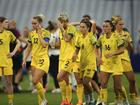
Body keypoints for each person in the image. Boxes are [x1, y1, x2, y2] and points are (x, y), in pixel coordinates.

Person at [96, 20, 126, 105]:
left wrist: (112, 53)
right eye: (103, 26)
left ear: (111, 27)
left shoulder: (116, 37)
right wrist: (98, 58)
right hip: (105, 64)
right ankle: (103, 102)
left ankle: (124, 100)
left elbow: (122, 50)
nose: (104, 28)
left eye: (106, 26)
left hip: (116, 64)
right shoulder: (101, 37)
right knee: (103, 84)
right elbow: (96, 47)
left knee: (118, 87)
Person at [22, 16, 50, 105]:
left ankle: (44, 101)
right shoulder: (31, 34)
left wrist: (39, 34)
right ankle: (42, 102)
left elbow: (44, 45)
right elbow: (29, 47)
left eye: (35, 23)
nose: (33, 25)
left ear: (40, 23)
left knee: (35, 80)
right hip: (34, 60)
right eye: (32, 23)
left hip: (43, 59)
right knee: (38, 82)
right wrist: (24, 59)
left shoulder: (46, 32)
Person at [114, 17, 140, 104]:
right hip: (116, 60)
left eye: (122, 24)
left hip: (125, 59)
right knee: (118, 84)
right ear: (115, 25)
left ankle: (133, 97)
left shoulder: (126, 34)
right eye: (120, 24)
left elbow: (131, 49)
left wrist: (128, 43)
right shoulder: (112, 35)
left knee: (132, 80)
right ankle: (123, 99)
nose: (122, 26)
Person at [73, 19, 97, 105]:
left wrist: (98, 58)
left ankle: (92, 98)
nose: (81, 28)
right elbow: (76, 49)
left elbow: (96, 47)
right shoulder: (79, 38)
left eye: (83, 27)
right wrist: (74, 54)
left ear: (88, 28)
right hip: (82, 63)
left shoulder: (91, 37)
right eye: (80, 27)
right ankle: (88, 101)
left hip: (90, 63)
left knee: (86, 82)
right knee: (83, 83)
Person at [0, 16, 21, 105]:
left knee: (9, 83)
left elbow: (19, 43)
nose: (8, 24)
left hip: (7, 61)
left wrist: (13, 52)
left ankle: (10, 102)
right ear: (0, 23)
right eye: (6, 22)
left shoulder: (9, 33)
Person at [57, 14, 77, 105]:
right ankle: (67, 101)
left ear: (67, 21)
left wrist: (61, 29)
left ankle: (65, 99)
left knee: (59, 77)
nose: (62, 23)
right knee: (65, 79)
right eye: (61, 21)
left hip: (70, 56)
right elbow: (62, 43)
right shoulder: (60, 31)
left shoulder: (71, 28)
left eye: (64, 21)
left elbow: (67, 39)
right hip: (62, 57)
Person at [46, 20, 61, 93]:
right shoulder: (49, 32)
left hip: (57, 54)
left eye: (55, 23)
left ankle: (58, 87)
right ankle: (56, 86)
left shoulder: (59, 31)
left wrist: (51, 45)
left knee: (56, 72)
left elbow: (60, 44)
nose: (54, 25)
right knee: (51, 72)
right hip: (50, 55)